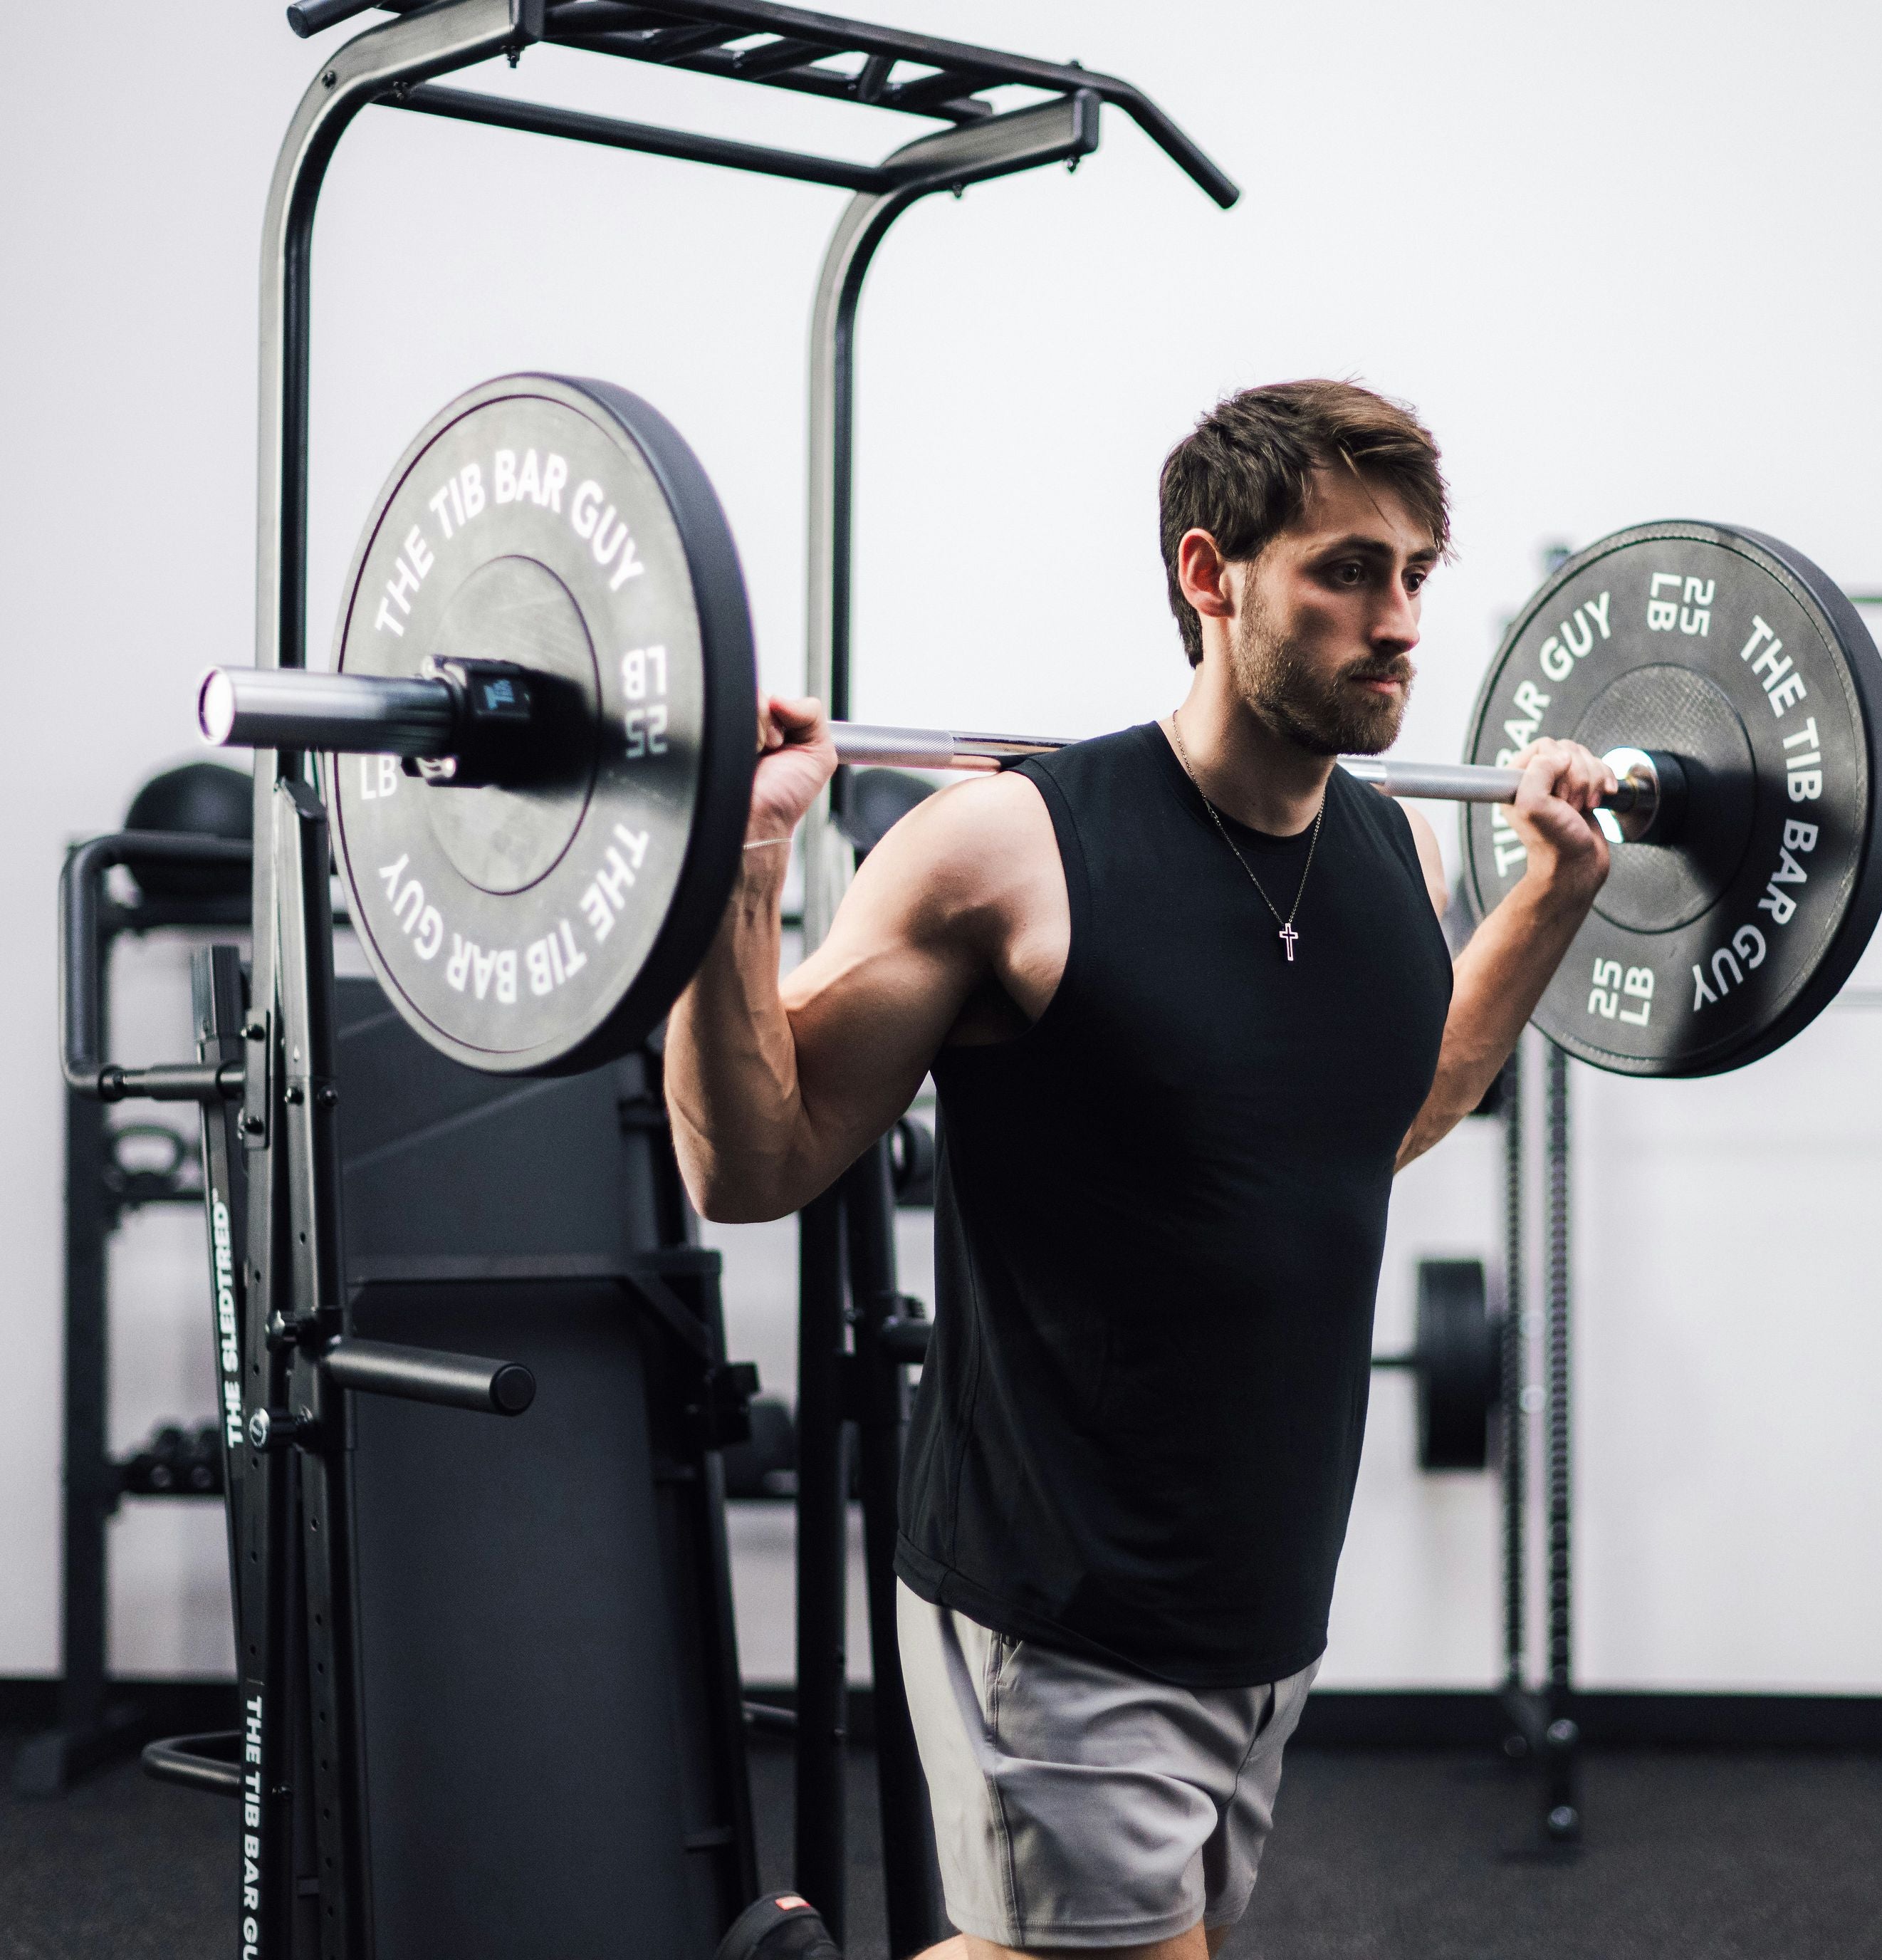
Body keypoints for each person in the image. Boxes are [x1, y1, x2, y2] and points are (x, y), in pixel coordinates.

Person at [666, 380, 1616, 1960]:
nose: (1395, 623)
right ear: (1208, 573)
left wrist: (1546, 904)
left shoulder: (1399, 853)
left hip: (1256, 1601)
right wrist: (737, 862)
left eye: (1412, 578)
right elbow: (751, 1161)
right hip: (1057, 1588)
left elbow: (1381, 1118)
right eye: (1345, 570)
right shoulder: (1004, 850)